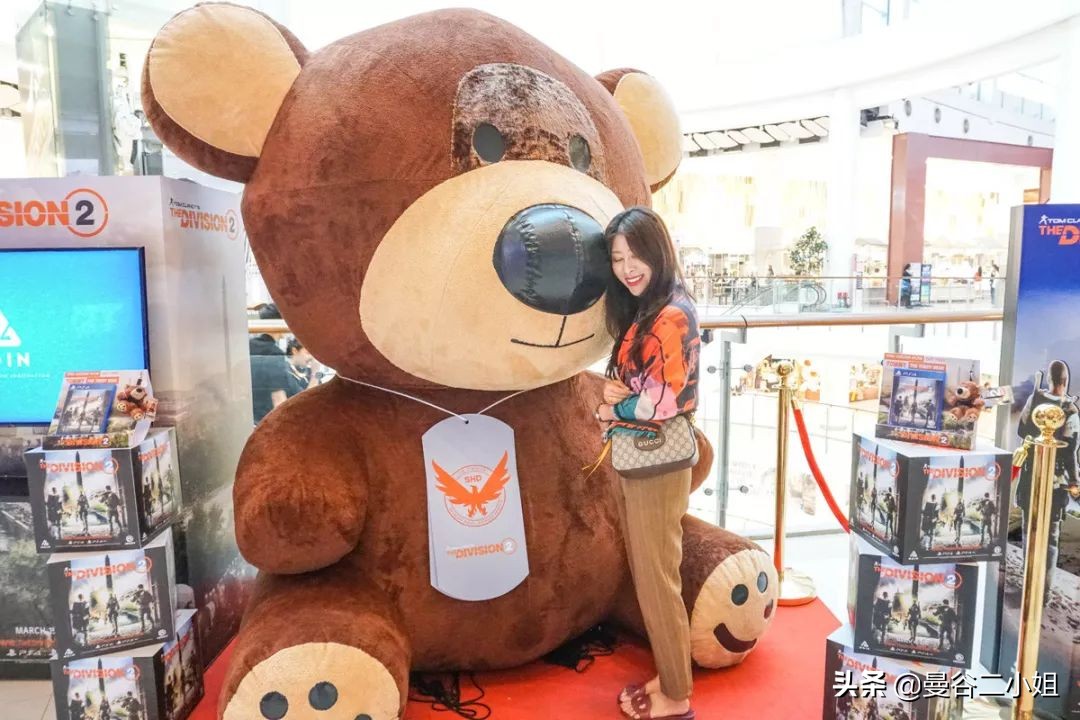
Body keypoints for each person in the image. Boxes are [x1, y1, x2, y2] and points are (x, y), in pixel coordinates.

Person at [595, 208, 699, 720]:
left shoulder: (668, 316)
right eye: (617, 259)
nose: (627, 268)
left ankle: (676, 697)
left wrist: (612, 408)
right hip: (645, 456)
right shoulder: (652, 308)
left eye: (635, 255)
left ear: (657, 251)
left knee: (657, 579)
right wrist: (620, 392)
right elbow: (641, 385)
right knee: (653, 573)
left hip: (656, 461)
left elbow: (664, 400)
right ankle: (670, 677)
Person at [1016, 360, 1080, 598]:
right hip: (1056, 481)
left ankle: (1029, 585)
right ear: (1065, 381)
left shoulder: (1034, 400)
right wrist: (1074, 481)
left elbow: (1022, 431)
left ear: (1050, 380)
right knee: (1051, 537)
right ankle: (1043, 592)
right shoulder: (1070, 411)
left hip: (1030, 474)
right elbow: (1071, 451)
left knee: (1029, 532)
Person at [249, 305, 291, 423]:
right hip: (266, 419)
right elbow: (278, 398)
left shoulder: (247, 346)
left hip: (247, 416)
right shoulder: (274, 353)